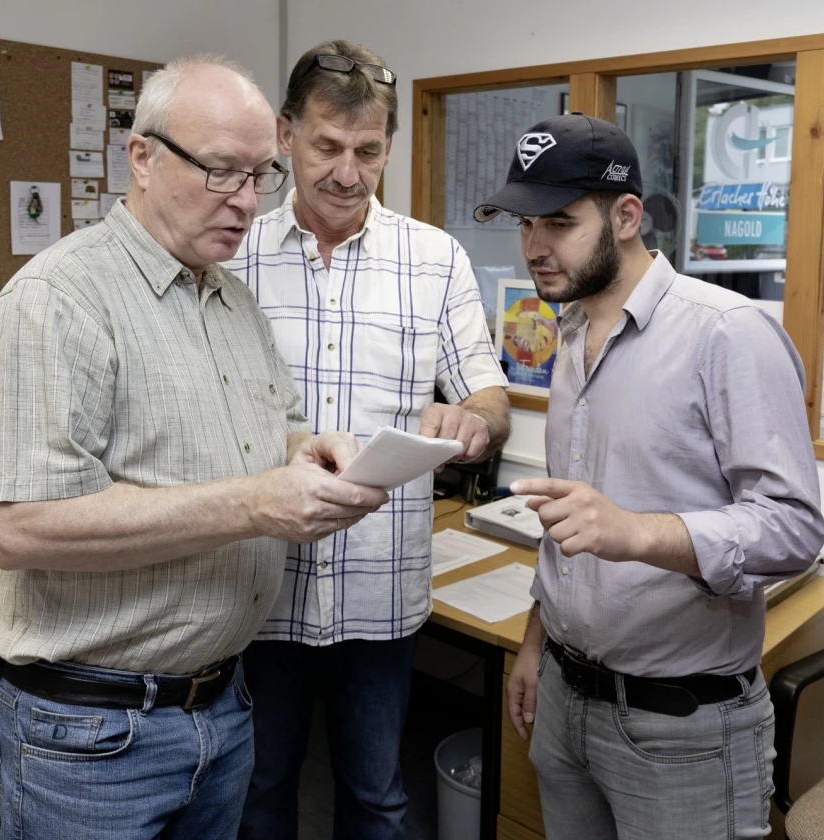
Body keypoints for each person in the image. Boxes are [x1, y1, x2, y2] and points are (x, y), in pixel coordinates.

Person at [0, 55, 389, 840]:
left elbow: (275, 426)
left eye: (260, 175)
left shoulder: (227, 295)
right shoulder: (57, 302)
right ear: (143, 156)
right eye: (221, 173)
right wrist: (255, 504)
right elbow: (21, 529)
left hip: (221, 709)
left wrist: (313, 451)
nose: (245, 202)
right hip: (90, 735)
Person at [476, 114, 824, 839]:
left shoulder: (725, 332)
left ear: (626, 216)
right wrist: (537, 646)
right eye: (525, 224)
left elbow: (794, 527)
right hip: (567, 700)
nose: (536, 247)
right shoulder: (569, 333)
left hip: (683, 729)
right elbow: (569, 524)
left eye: (560, 223)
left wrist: (637, 533)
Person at [226, 40, 510, 840]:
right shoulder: (230, 254)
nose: (347, 173)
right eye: (326, 146)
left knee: (378, 797)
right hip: (258, 584)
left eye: (368, 151)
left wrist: (475, 421)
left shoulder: (434, 260)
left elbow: (487, 392)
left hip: (379, 588)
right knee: (259, 795)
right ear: (285, 135)